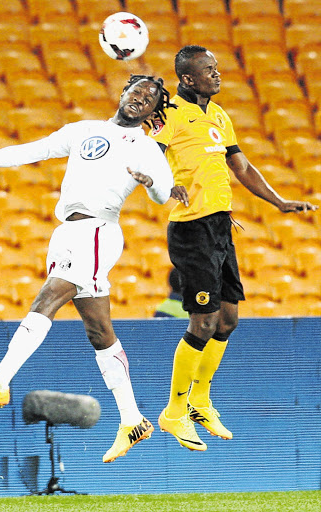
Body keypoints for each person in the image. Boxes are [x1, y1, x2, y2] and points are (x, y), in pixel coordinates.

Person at [0, 74, 178, 463]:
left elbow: (164, 192)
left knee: (49, 295)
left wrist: (150, 183)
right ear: (123, 93)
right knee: (99, 331)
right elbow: (33, 150)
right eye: (138, 91)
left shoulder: (147, 148)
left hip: (99, 231)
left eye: (151, 99)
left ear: (154, 111)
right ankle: (133, 420)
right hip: (67, 231)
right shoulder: (84, 130)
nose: (141, 99)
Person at [149, 45, 319, 452]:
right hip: (191, 229)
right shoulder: (168, 114)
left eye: (216, 68)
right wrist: (160, 183)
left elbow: (239, 166)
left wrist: (278, 201)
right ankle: (174, 411)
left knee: (227, 321)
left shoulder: (219, 115)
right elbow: (145, 155)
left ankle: (200, 400)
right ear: (187, 78)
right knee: (203, 322)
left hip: (221, 226)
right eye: (208, 70)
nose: (217, 74)